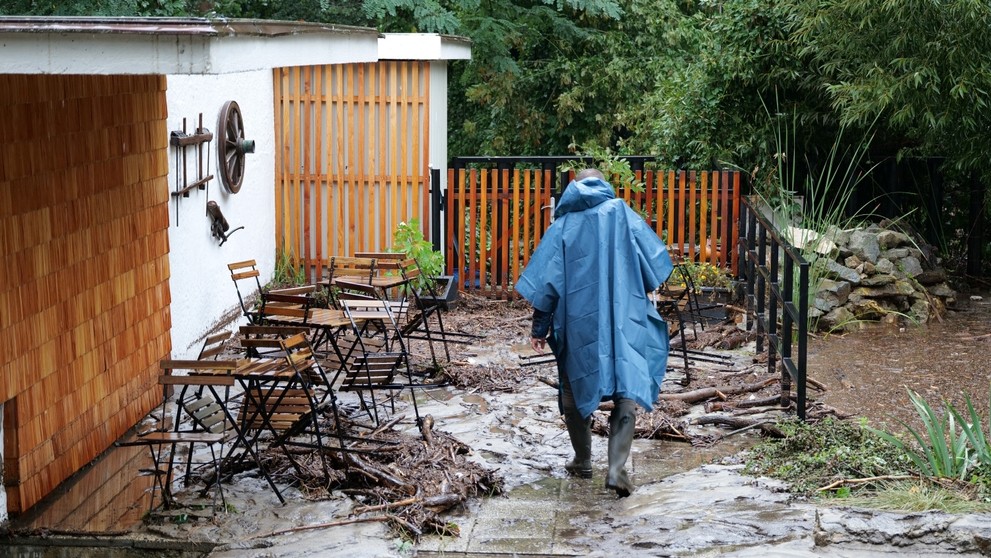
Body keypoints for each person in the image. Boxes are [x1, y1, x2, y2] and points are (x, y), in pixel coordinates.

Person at [515, 167, 673, 497]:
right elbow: (654, 267)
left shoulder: (563, 225)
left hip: (578, 321)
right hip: (624, 316)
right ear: (604, 185)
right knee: (626, 386)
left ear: (574, 188)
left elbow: (547, 283)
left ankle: (583, 460)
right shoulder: (622, 214)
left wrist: (539, 328)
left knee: (574, 387)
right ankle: (616, 470)